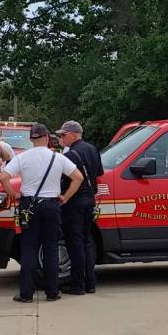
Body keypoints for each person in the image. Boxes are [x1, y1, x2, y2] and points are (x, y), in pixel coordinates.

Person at [0, 123, 83, 303]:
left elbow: (4, 177)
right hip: (52, 205)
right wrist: (65, 197)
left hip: (29, 205)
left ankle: (26, 293)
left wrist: (13, 194)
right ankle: (52, 292)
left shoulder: (23, 157)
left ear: (31, 139)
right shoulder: (58, 157)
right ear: (47, 138)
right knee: (51, 248)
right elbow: (78, 177)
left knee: (28, 248)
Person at [56, 120, 103, 296]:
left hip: (74, 201)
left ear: (74, 134)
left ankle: (78, 284)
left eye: (63, 135)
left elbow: (63, 177)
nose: (62, 138)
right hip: (90, 200)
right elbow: (99, 173)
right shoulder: (92, 149)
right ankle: (90, 282)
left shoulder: (71, 155)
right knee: (86, 241)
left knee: (74, 242)